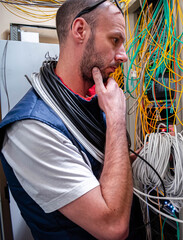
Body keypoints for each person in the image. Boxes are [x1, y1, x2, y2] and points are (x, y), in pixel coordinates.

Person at [0, 0, 144, 239]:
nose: (124, 56)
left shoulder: (94, 100)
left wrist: (120, 160)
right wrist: (117, 119)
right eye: (115, 40)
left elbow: (91, 161)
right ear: (80, 30)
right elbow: (113, 228)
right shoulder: (31, 128)